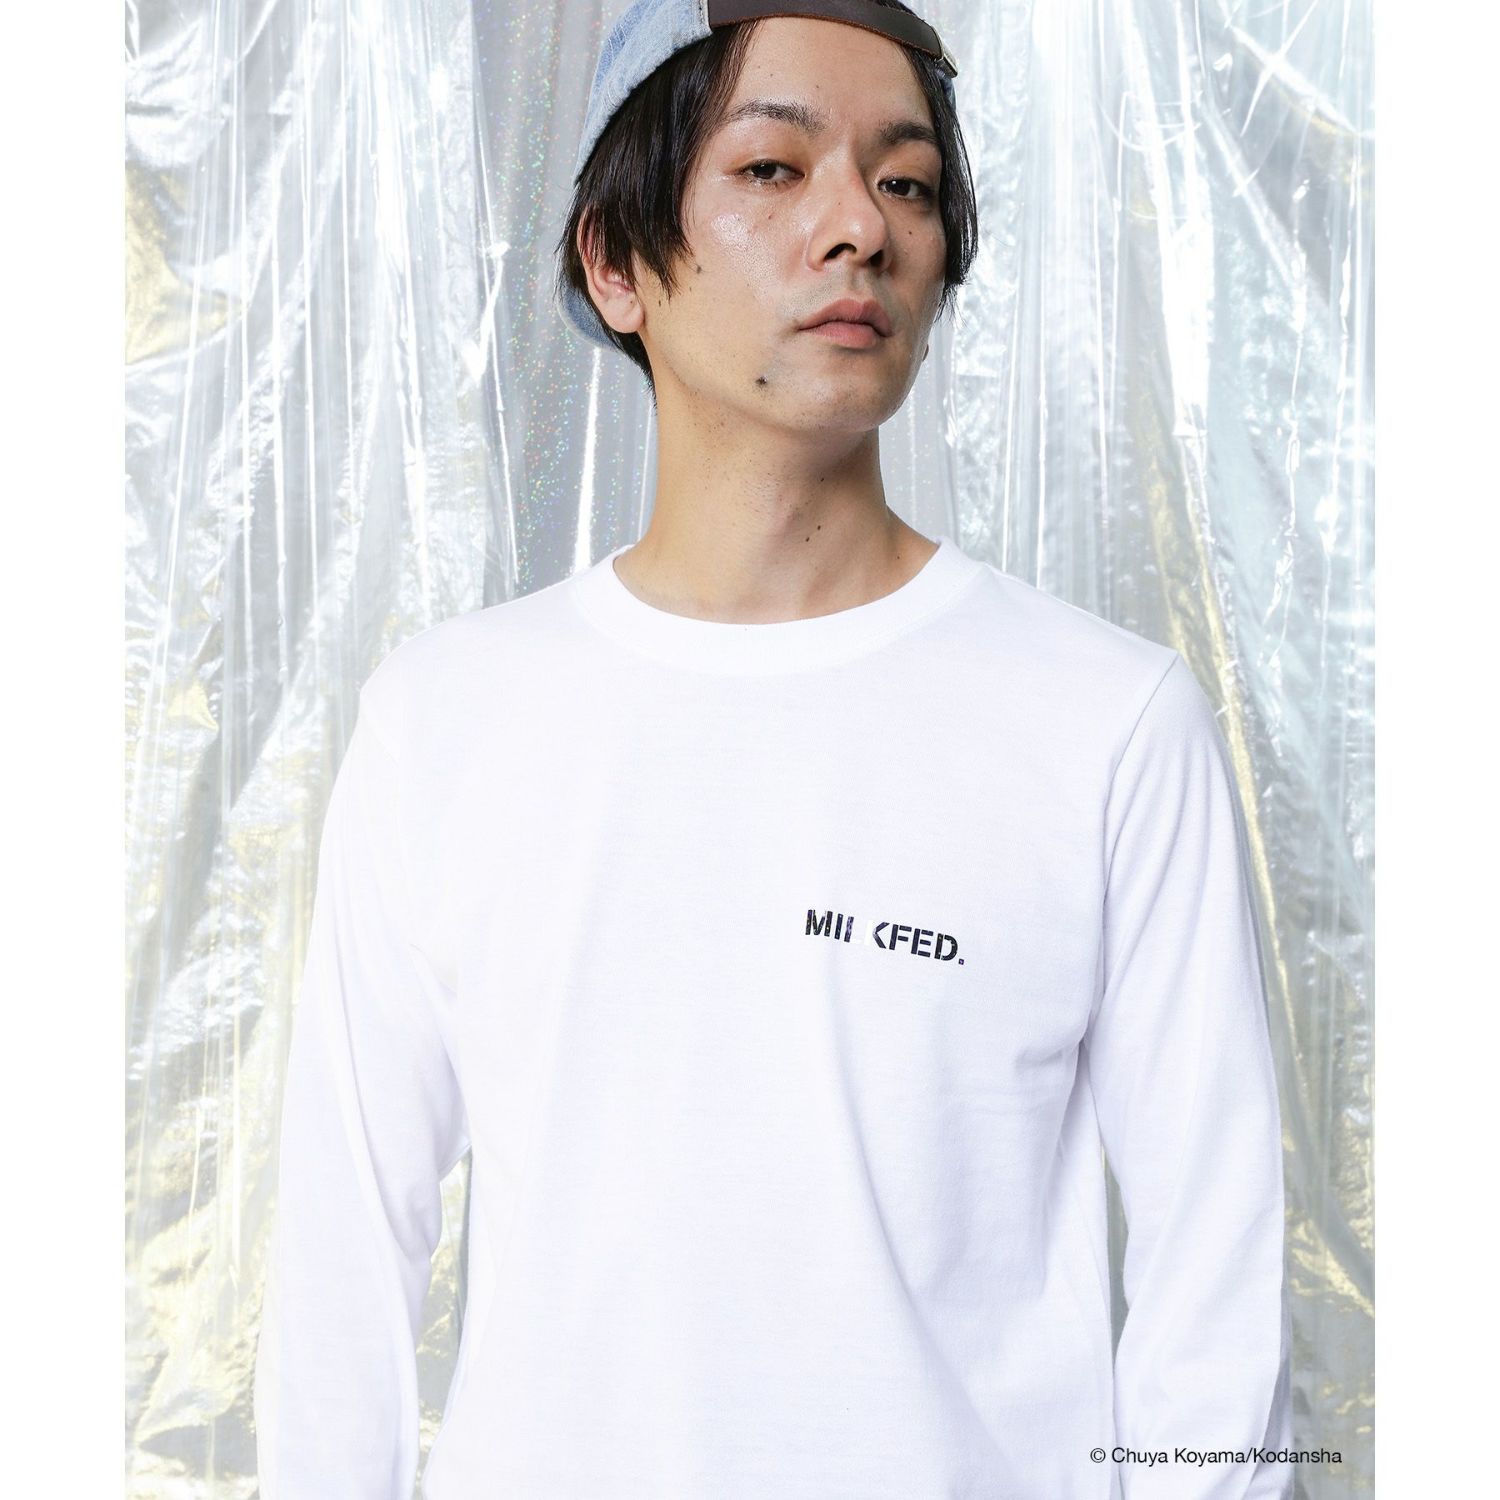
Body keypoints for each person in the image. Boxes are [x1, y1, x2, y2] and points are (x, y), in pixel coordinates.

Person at [253, 1, 1294, 1496]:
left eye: (907, 181)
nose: (859, 227)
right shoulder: (445, 722)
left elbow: (1216, 1292)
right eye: (771, 168)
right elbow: (343, 1263)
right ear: (613, 265)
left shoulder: (1107, 723)